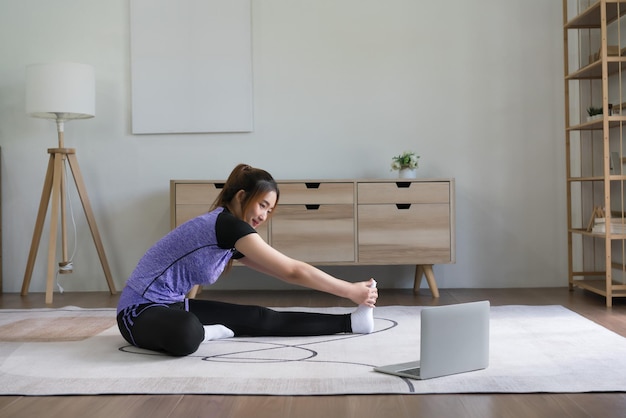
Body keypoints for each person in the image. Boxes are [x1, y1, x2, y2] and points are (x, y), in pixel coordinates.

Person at [117, 163, 379, 356]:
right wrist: (349, 289)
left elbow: (280, 271)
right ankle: (205, 332)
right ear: (242, 196)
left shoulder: (229, 230)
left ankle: (350, 323)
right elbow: (292, 270)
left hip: (173, 306)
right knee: (186, 332)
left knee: (260, 317)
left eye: (270, 209)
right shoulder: (227, 226)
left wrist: (351, 295)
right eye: (262, 205)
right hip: (137, 312)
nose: (264, 215)